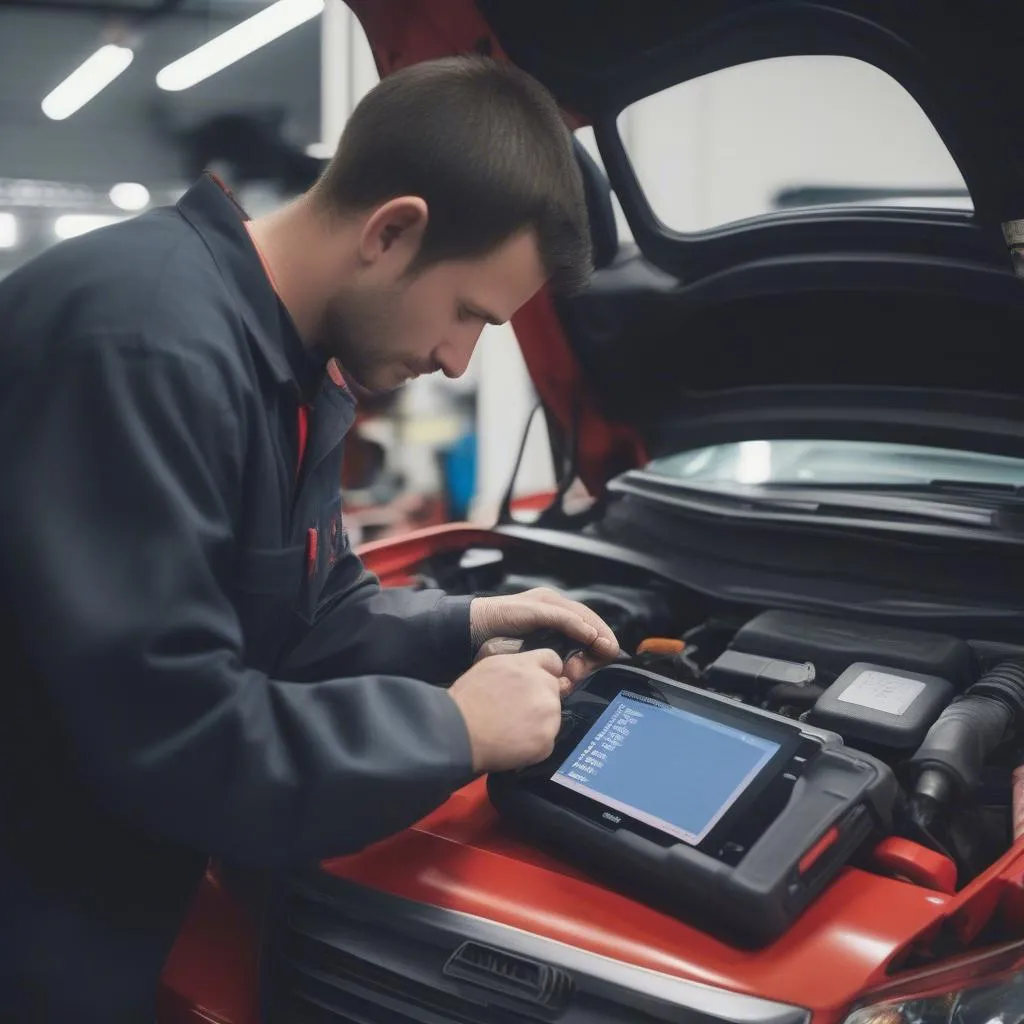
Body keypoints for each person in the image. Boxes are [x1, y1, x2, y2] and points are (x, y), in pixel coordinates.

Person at [0, 56, 619, 1021]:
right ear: (392, 231)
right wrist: (455, 730)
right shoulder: (148, 343)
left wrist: (469, 624)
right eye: (469, 314)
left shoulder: (286, 364)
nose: (459, 358)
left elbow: (302, 616)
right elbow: (178, 736)